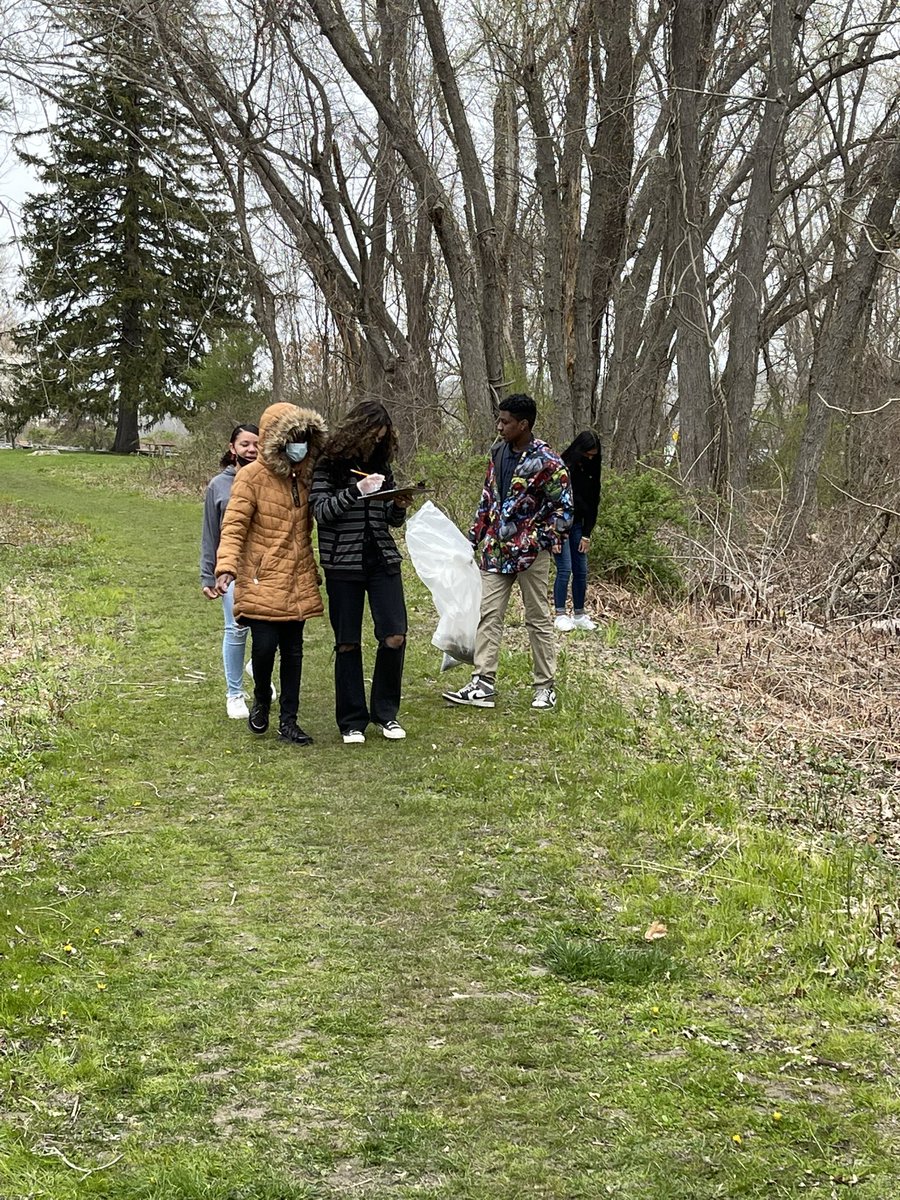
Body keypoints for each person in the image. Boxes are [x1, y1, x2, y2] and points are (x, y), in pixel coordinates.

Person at [443, 394, 572, 711]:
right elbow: (488, 499)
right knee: (488, 616)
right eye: (498, 420)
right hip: (495, 552)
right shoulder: (497, 452)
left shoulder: (548, 462)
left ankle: (545, 686)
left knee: (538, 619)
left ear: (523, 425)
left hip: (530, 556)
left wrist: (537, 538)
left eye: (505, 422)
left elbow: (565, 511)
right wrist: (472, 538)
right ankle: (482, 683)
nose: (499, 427)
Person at [214, 402, 327, 745]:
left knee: (294, 652)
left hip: (298, 577)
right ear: (275, 440)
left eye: (304, 439)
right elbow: (233, 526)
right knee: (264, 648)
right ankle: (262, 697)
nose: (300, 445)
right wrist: (226, 567)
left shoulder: (306, 477)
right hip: (261, 578)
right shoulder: (250, 478)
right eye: (293, 438)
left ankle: (289, 721)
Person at [311, 400, 412, 744]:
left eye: (382, 438)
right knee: (347, 643)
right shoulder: (327, 466)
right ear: (357, 430)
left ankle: (386, 713)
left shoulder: (381, 465)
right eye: (373, 436)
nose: (376, 443)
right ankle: (351, 720)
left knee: (395, 634)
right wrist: (356, 491)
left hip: (382, 559)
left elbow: (388, 521)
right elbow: (322, 512)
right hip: (343, 563)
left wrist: (398, 506)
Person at [200, 424, 259, 720]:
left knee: (265, 629)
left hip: (263, 567)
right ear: (232, 448)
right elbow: (210, 533)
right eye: (245, 444)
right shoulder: (218, 486)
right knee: (236, 628)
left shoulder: (267, 480)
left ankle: (257, 671)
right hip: (230, 569)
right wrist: (207, 575)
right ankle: (234, 694)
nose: (251, 449)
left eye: (256, 444)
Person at [553, 430, 601, 631]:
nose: (590, 458)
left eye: (593, 455)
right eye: (587, 454)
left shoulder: (593, 469)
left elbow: (593, 502)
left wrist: (587, 534)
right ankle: (560, 614)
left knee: (581, 570)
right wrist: (554, 533)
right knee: (565, 568)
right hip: (561, 525)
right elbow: (552, 501)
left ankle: (580, 614)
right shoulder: (563, 467)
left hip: (580, 525)